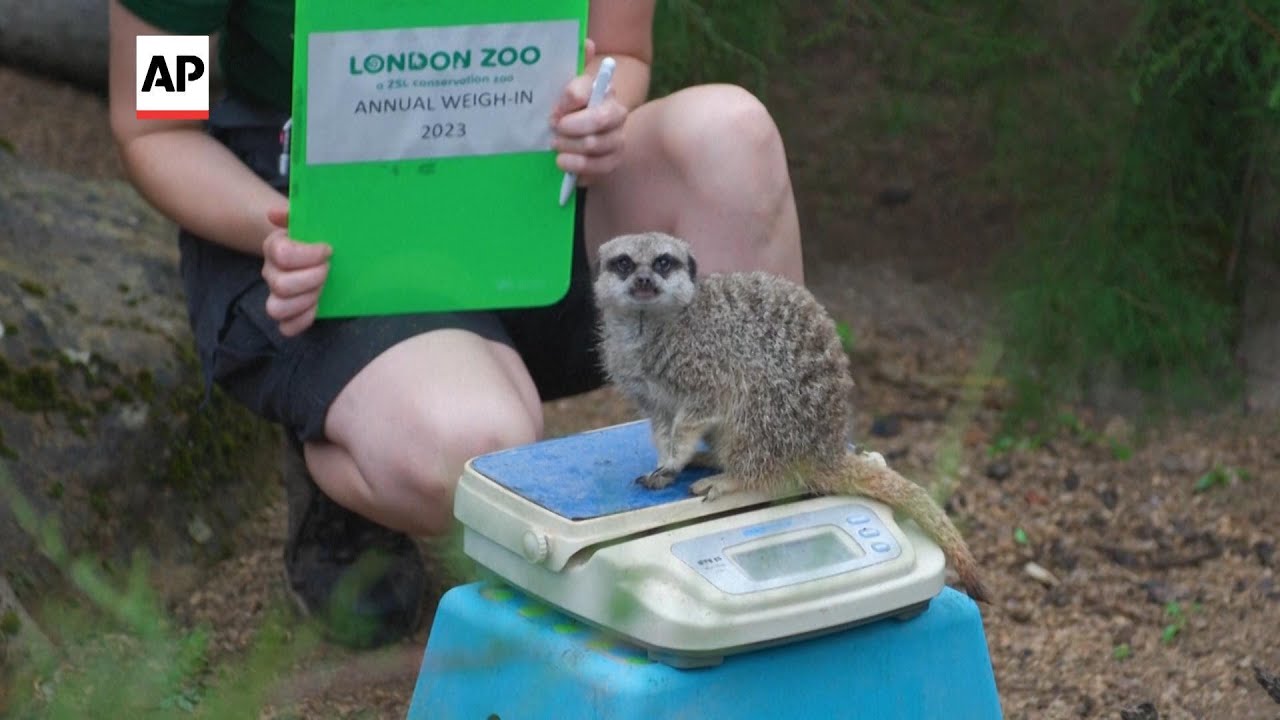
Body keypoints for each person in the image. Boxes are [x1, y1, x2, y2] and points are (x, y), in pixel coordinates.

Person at [107, 0, 803, 648]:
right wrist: (280, 230)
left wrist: (598, 109)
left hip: (537, 191)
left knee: (729, 137)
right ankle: (346, 443)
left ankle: (744, 527)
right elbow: (161, 126)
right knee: (473, 454)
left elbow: (620, 54)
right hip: (307, 219)